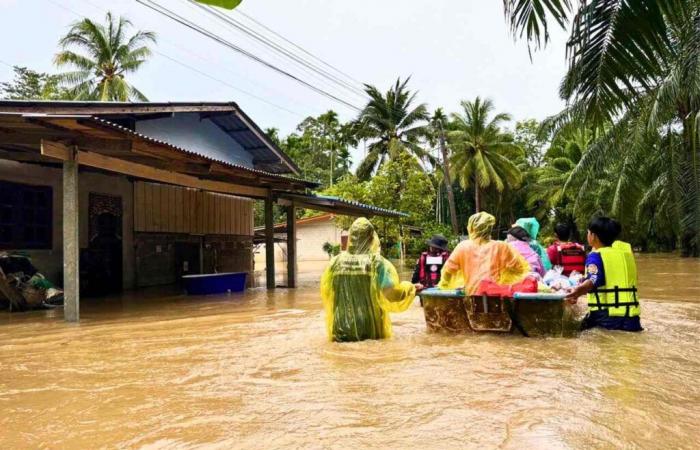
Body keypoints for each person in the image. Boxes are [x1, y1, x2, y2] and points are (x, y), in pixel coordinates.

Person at [320, 218, 417, 342]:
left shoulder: (335, 263)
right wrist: (410, 288)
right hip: (370, 326)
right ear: (371, 238)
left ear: (351, 238)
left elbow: (327, 292)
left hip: (340, 326)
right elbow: (391, 295)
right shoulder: (377, 263)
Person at [565, 217, 642, 332]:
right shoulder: (625, 256)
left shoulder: (595, 256)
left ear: (593, 236)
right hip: (632, 318)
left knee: (573, 332)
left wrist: (576, 293)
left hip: (605, 318)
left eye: (588, 232)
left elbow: (593, 279)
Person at [439, 212, 530, 294]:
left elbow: (448, 271)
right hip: (496, 296)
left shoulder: (462, 247)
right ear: (490, 228)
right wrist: (505, 278)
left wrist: (444, 286)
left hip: (472, 296)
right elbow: (521, 270)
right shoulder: (502, 246)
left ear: (472, 227)